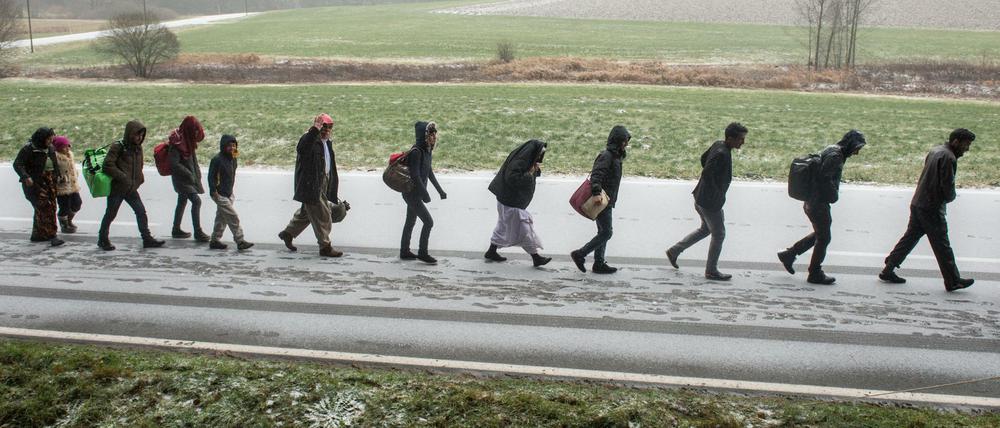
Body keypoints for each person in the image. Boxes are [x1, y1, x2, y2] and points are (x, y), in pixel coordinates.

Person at [879, 129, 976, 292]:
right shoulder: (949, 157)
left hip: (918, 202)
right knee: (942, 245)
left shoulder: (936, 150)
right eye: (966, 144)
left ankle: (888, 269)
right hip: (931, 207)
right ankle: (952, 280)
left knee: (910, 237)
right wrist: (950, 197)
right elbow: (947, 186)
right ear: (956, 142)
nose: (967, 148)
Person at [776, 130, 867, 284]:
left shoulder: (832, 149)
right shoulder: (836, 157)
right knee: (824, 237)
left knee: (821, 234)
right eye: (857, 148)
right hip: (818, 202)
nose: (857, 152)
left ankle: (790, 254)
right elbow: (824, 178)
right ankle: (814, 272)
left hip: (812, 200)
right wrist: (834, 195)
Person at [666, 123, 748, 281]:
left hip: (700, 197)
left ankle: (674, 251)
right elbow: (707, 172)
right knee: (719, 234)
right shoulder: (722, 153)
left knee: (705, 229)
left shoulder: (719, 145)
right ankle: (711, 270)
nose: (742, 142)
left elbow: (703, 159)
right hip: (710, 202)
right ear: (730, 138)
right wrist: (717, 191)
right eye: (741, 139)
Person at [278, 114, 342, 257]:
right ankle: (325, 246)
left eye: (329, 128)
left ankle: (288, 233)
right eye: (323, 127)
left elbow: (328, 165)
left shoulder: (326, 142)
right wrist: (314, 130)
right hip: (311, 183)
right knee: (323, 215)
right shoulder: (309, 139)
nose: (326, 130)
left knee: (307, 213)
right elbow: (302, 149)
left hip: (322, 182)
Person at [570, 125, 631, 274]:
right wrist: (597, 193)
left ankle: (598, 263)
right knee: (606, 233)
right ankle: (580, 254)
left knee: (602, 231)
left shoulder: (616, 156)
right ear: (617, 141)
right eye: (624, 141)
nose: (626, 144)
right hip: (602, 198)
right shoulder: (607, 156)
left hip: (608, 199)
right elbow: (596, 175)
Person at [98, 120, 165, 251]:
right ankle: (102, 239)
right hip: (118, 188)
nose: (139, 138)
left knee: (141, 212)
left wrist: (139, 179)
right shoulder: (118, 147)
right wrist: (123, 177)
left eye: (141, 135)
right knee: (111, 214)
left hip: (131, 188)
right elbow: (107, 165)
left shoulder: (138, 148)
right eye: (136, 135)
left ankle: (147, 239)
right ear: (129, 134)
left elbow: (139, 165)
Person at [485, 139, 552, 267]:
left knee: (502, 225)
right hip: (511, 201)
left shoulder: (523, 158)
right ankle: (536, 257)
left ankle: (491, 251)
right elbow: (513, 178)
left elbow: (522, 173)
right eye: (539, 154)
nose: (539, 157)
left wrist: (534, 171)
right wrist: (530, 173)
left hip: (507, 199)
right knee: (525, 229)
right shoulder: (521, 161)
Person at [400, 121, 447, 265]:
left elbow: (429, 173)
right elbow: (415, 175)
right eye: (431, 133)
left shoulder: (427, 151)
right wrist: (425, 194)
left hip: (417, 193)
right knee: (428, 222)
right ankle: (422, 252)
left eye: (435, 133)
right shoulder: (416, 152)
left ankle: (404, 251)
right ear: (424, 135)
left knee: (410, 222)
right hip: (411, 194)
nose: (434, 136)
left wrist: (440, 190)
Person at [13, 127, 64, 246]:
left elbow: (54, 163)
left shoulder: (50, 148)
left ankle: (38, 235)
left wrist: (58, 175)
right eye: (49, 139)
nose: (51, 141)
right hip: (36, 183)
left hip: (50, 180)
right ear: (41, 139)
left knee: (49, 207)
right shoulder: (29, 149)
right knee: (44, 207)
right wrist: (25, 177)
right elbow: (18, 164)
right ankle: (52, 235)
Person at [207, 134, 253, 251]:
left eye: (234, 145)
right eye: (229, 145)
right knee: (233, 217)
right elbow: (211, 177)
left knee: (221, 218)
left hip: (228, 193)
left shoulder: (233, 157)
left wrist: (230, 192)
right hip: (219, 194)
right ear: (223, 146)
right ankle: (240, 240)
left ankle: (215, 240)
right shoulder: (217, 160)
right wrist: (213, 191)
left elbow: (233, 172)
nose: (232, 148)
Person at [168, 115, 209, 242]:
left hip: (188, 178)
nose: (196, 133)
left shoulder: (187, 140)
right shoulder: (177, 143)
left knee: (182, 201)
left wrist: (197, 174)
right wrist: (189, 174)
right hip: (182, 179)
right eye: (194, 130)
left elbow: (192, 160)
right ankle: (198, 231)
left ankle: (176, 229)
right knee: (196, 201)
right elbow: (174, 163)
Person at [52, 135, 82, 234]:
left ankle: (69, 220)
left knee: (77, 203)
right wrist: (59, 178)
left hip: (73, 185)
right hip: (62, 187)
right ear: (58, 147)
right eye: (64, 146)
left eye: (68, 146)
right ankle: (64, 224)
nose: (67, 148)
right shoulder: (54, 157)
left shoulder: (70, 154)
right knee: (64, 207)